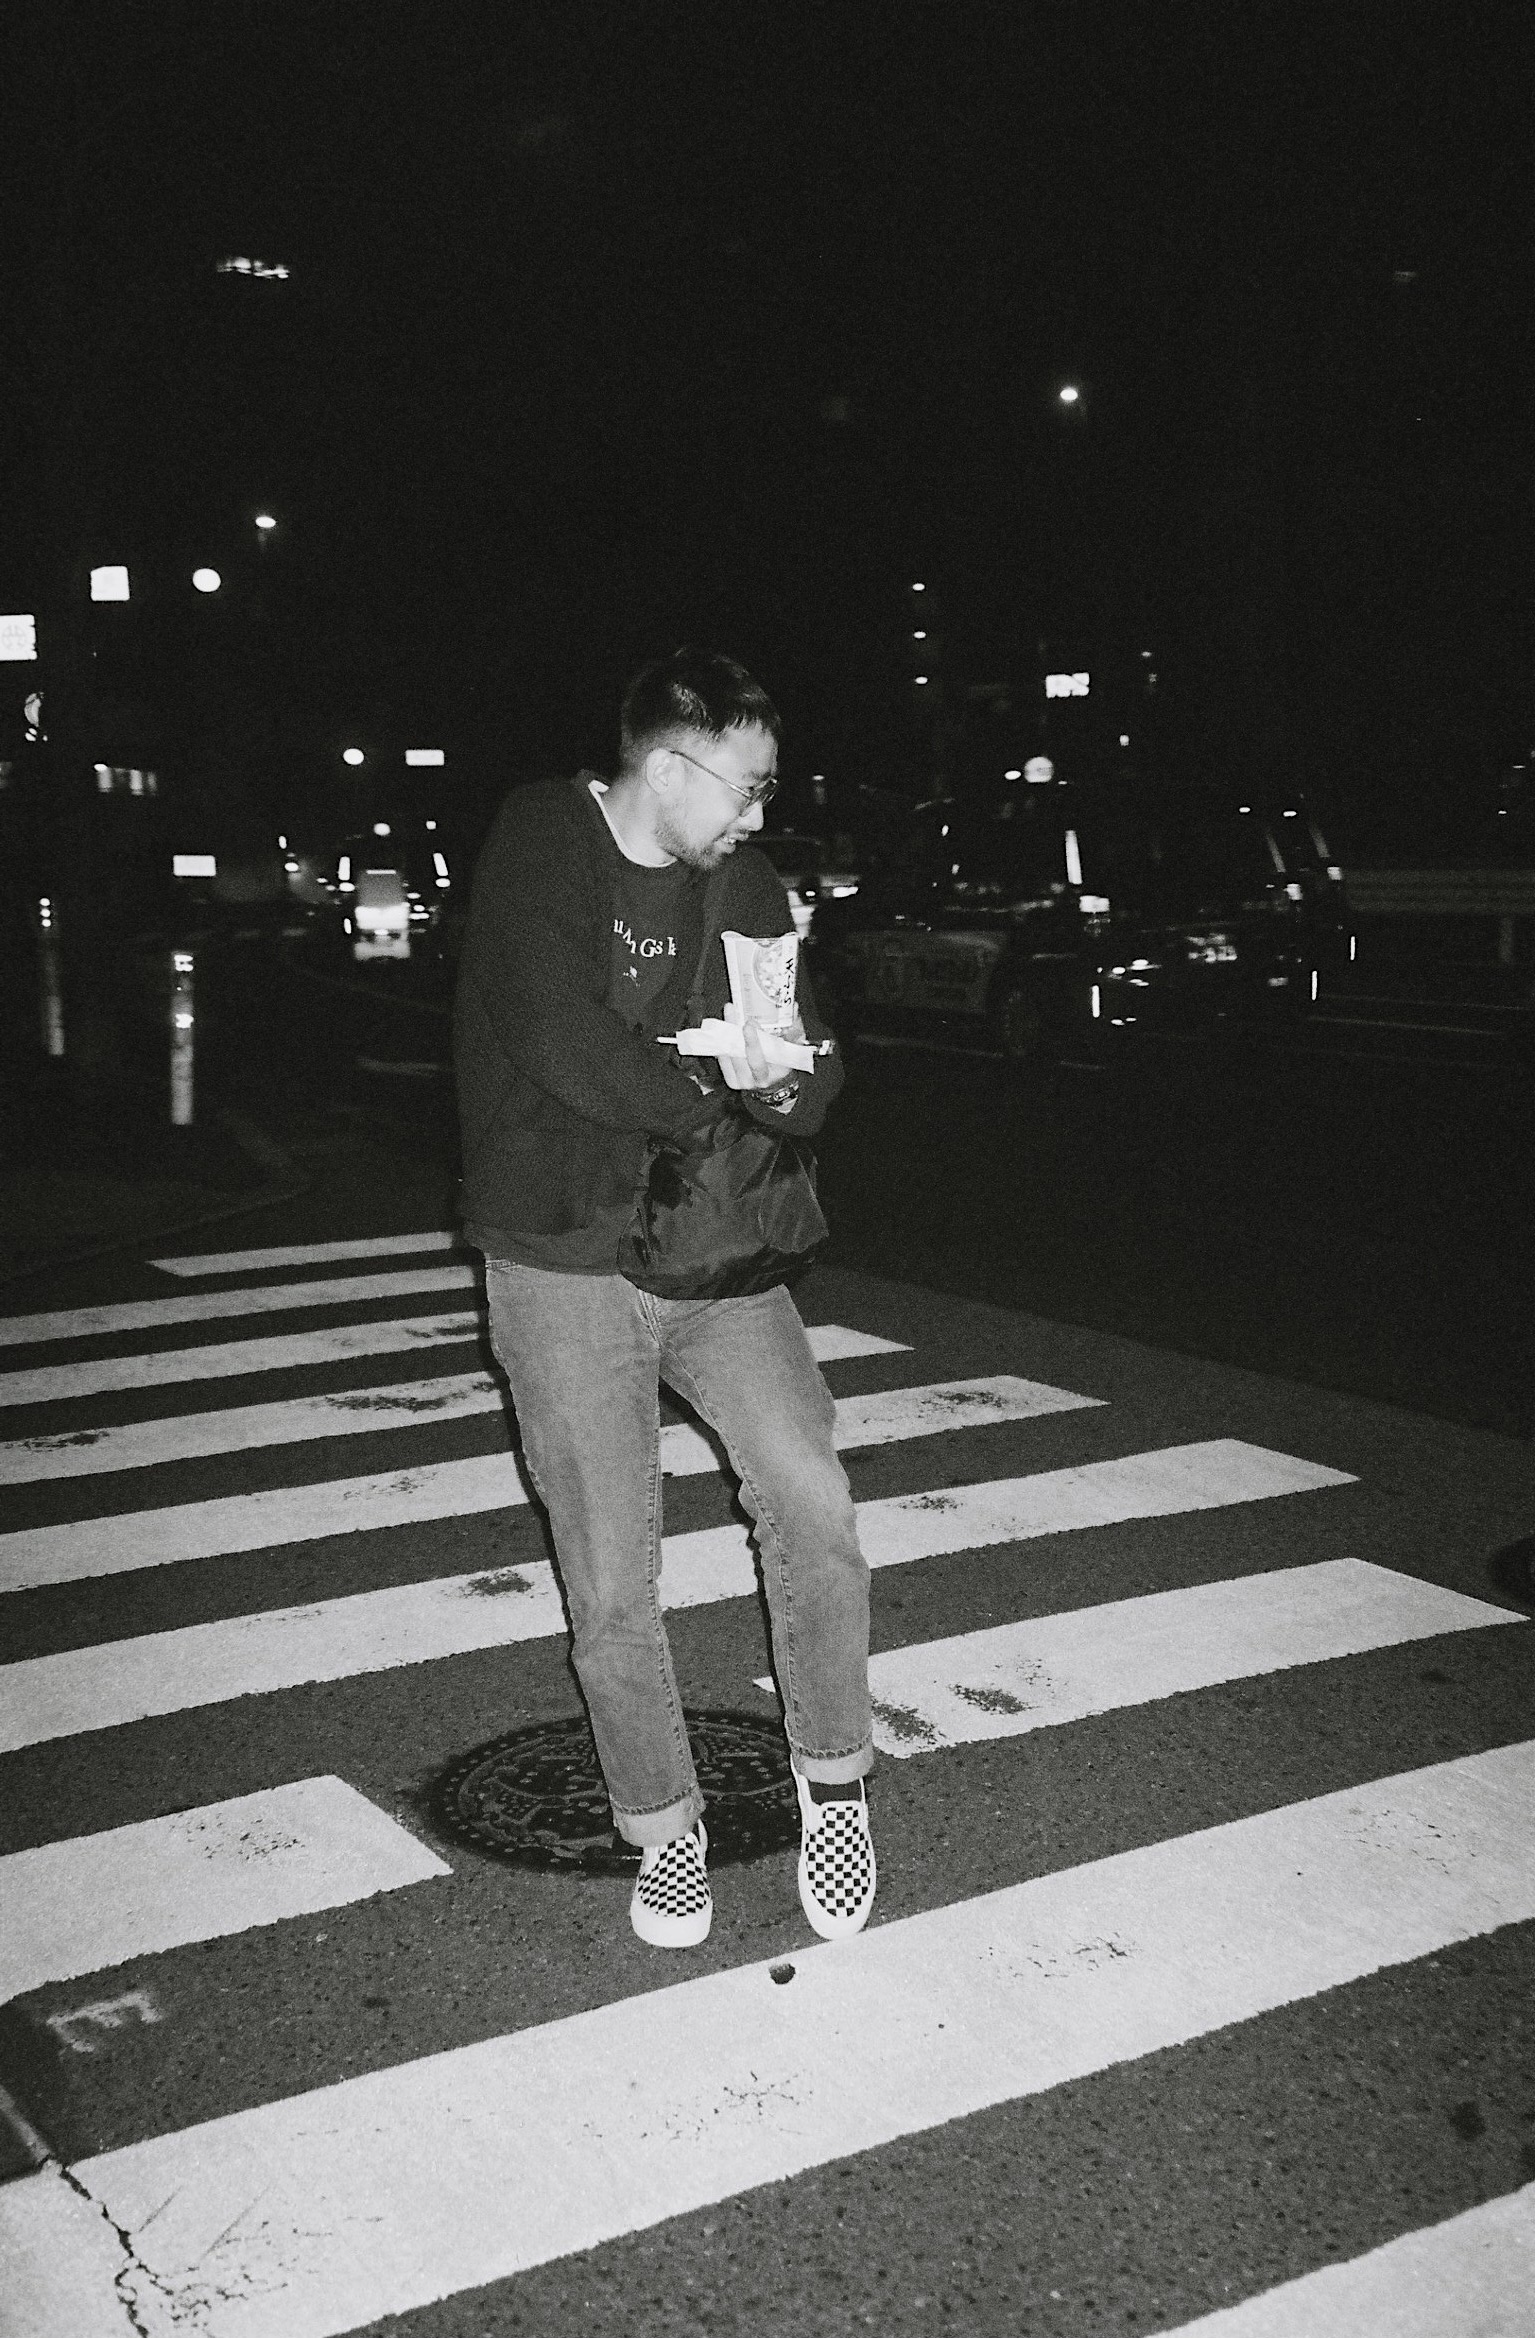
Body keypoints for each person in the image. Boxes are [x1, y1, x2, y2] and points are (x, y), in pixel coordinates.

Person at [453, 648, 875, 1948]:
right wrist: (708, 1092)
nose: (757, 816)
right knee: (611, 1569)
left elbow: (806, 1068)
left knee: (808, 1487)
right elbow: (554, 1032)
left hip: (706, 1253)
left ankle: (836, 1783)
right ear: (674, 763)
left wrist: (789, 1069)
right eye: (746, 786)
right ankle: (664, 1821)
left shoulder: (743, 884)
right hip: (559, 1256)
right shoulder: (543, 835)